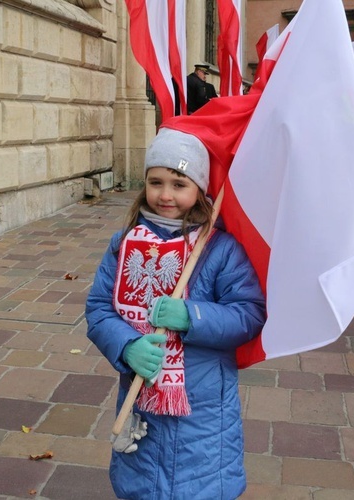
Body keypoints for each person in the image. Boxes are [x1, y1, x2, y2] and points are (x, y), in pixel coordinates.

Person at [85, 128, 266, 499]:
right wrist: (126, 346)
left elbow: (248, 313)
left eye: (179, 184)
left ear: (199, 189)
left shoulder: (220, 248)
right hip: (142, 402)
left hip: (202, 413)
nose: (165, 195)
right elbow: (100, 308)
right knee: (142, 486)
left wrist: (192, 316)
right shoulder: (125, 243)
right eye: (156, 182)